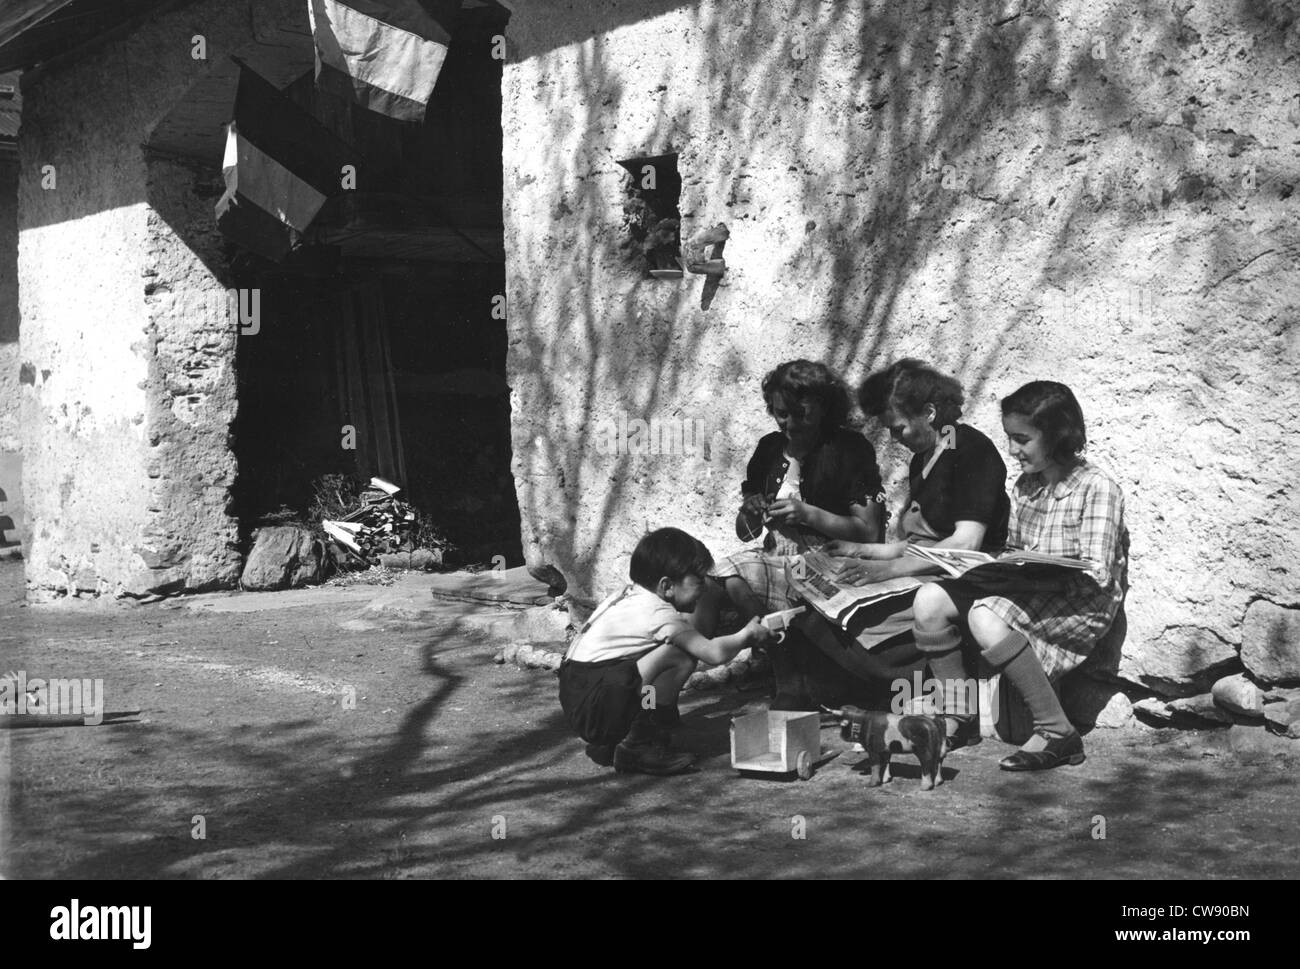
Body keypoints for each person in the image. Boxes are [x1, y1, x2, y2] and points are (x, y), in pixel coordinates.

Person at [910, 381, 1128, 771]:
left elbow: (1097, 572)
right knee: (929, 600)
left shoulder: (1097, 487)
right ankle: (960, 717)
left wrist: (1031, 570)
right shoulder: (1026, 486)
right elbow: (1016, 551)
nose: (1013, 450)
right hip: (1027, 591)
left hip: (1078, 602)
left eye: (1022, 440)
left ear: (1058, 435)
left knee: (983, 615)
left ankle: (1057, 732)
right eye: (1010, 439)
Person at [794, 359, 1011, 742]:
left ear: (929, 413)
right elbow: (914, 543)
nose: (896, 439)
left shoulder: (972, 450)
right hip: (922, 566)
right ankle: (868, 698)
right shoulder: (923, 459)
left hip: (962, 575)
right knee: (809, 602)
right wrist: (860, 550)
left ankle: (954, 713)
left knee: (863, 625)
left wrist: (890, 571)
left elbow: (966, 544)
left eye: (899, 428)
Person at [691, 360, 886, 708]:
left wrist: (807, 514)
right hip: (776, 555)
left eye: (801, 413)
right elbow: (745, 534)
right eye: (781, 414)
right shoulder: (769, 449)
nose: (790, 424)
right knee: (719, 577)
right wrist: (749, 511)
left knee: (749, 577)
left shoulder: (849, 450)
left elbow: (868, 532)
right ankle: (690, 662)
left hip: (831, 558)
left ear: (825, 407)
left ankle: (784, 670)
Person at [559, 527, 775, 776]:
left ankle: (638, 728)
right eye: (698, 581)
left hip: (580, 693)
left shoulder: (627, 594)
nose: (704, 588)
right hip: (596, 708)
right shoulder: (658, 613)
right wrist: (746, 635)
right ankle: (637, 744)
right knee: (679, 655)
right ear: (667, 586)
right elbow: (713, 654)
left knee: (657, 656)